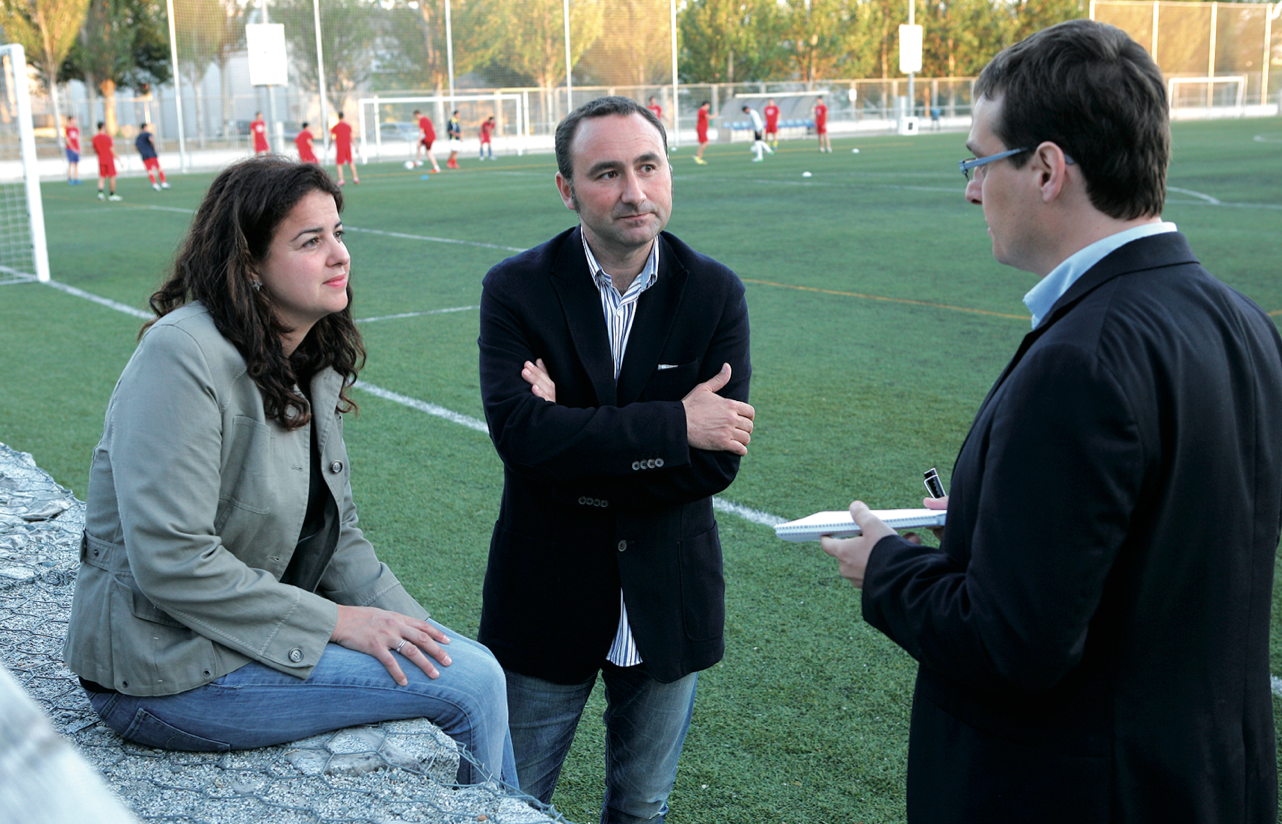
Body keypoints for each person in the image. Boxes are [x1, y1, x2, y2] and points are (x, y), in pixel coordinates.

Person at [820, 19, 1282, 824]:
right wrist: (998, 525)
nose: (969, 188)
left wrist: (886, 569)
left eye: (977, 160)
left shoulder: (1084, 355)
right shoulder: (1241, 321)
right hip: (1211, 776)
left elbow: (1014, 645)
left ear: (1045, 170)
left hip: (1082, 791)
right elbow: (1163, 538)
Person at [62, 156, 517, 789]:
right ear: (249, 265)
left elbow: (340, 539)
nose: (339, 256)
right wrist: (340, 623)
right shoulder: (182, 354)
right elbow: (171, 557)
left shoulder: (308, 357)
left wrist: (425, 637)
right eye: (311, 241)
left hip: (230, 642)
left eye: (339, 233)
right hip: (161, 671)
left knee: (470, 665)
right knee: (467, 689)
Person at [477, 96, 754, 823]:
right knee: (511, 802)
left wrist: (572, 426)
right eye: (607, 173)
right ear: (567, 190)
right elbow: (521, 438)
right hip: (546, 594)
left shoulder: (715, 292)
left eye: (648, 166)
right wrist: (674, 426)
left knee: (643, 806)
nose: (634, 191)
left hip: (669, 593)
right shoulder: (515, 290)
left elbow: (717, 462)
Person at [135, 122, 169, 191]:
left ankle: (154, 184)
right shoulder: (148, 134)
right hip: (151, 154)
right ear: (145, 127)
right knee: (158, 168)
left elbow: (136, 146)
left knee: (150, 170)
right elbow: (151, 140)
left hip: (144, 155)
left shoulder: (138, 136)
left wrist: (141, 152)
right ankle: (163, 183)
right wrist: (154, 148)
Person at [92, 122, 121, 202]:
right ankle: (112, 194)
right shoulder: (108, 138)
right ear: (103, 127)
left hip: (101, 159)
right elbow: (112, 149)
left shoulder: (95, 138)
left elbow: (95, 149)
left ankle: (100, 193)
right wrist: (118, 158)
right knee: (112, 177)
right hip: (109, 160)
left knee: (102, 177)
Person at [330, 112, 358, 186]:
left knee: (339, 164)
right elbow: (352, 137)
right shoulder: (348, 126)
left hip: (340, 147)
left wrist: (329, 145)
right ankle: (355, 178)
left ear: (338, 117)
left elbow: (332, 137)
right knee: (350, 162)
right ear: (343, 117)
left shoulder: (335, 127)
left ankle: (341, 180)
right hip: (348, 147)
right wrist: (356, 146)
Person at [65, 115, 81, 185]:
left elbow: (77, 139)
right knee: (70, 163)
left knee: (76, 163)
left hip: (76, 149)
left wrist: (78, 147)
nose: (74, 121)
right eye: (73, 119)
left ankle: (76, 178)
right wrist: (73, 148)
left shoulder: (76, 129)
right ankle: (70, 178)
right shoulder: (67, 129)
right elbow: (67, 140)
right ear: (70, 120)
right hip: (70, 149)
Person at [694, 100, 710, 165]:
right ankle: (697, 155)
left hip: (702, 128)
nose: (708, 107)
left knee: (703, 142)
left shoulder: (703, 110)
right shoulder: (702, 110)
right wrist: (715, 115)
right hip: (701, 128)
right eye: (708, 106)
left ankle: (699, 157)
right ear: (706, 105)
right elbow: (709, 117)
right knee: (706, 142)